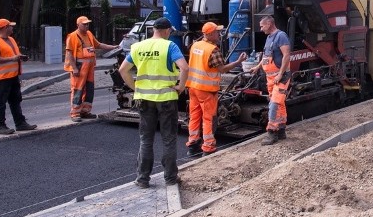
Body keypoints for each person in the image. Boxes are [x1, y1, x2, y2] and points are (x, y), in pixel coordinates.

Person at [118, 17, 188, 188]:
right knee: (169, 139)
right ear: (166, 31)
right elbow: (184, 68)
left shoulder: (138, 47)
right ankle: (170, 177)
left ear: (153, 29)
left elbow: (123, 70)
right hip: (166, 99)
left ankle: (142, 178)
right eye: (170, 31)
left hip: (144, 100)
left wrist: (135, 88)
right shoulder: (169, 46)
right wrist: (180, 87)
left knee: (146, 139)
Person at [185, 22, 247, 158]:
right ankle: (208, 147)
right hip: (206, 89)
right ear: (210, 34)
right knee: (208, 118)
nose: (219, 34)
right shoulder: (213, 50)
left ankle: (193, 144)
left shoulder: (195, 45)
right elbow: (222, 69)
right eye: (217, 32)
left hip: (193, 87)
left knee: (194, 116)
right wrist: (238, 62)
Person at [0, 18, 37, 135]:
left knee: (15, 100)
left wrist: (21, 57)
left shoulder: (11, 40)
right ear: (5, 28)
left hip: (13, 76)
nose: (12, 28)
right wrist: (12, 59)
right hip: (1, 78)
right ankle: (0, 126)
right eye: (10, 26)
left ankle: (20, 123)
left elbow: (14, 54)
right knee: (1, 101)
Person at [64, 16, 119, 122]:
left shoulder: (89, 34)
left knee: (89, 89)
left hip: (89, 67)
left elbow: (98, 45)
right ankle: (75, 113)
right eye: (84, 24)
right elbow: (69, 53)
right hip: (79, 67)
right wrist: (74, 68)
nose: (86, 26)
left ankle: (85, 111)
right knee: (77, 89)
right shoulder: (72, 36)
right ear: (78, 25)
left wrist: (113, 47)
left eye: (87, 24)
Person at [249, 15, 292, 145]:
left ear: (269, 24)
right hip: (271, 79)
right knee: (279, 104)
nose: (261, 29)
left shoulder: (281, 36)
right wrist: (257, 67)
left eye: (262, 26)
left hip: (281, 78)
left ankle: (272, 133)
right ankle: (281, 130)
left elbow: (286, 55)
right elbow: (266, 56)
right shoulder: (269, 38)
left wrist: (280, 74)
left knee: (274, 104)